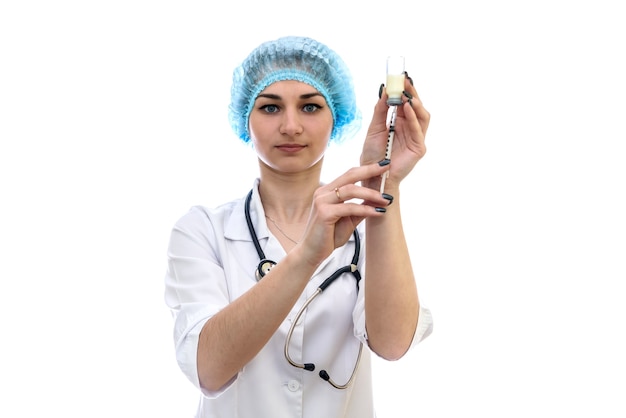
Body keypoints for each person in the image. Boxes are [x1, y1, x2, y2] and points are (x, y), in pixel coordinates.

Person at [164, 35, 433, 417]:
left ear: (335, 116)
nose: (290, 126)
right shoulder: (202, 231)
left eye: (309, 106)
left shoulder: (368, 232)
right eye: (270, 108)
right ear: (246, 118)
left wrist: (385, 186)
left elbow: (392, 344)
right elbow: (209, 370)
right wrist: (307, 254)